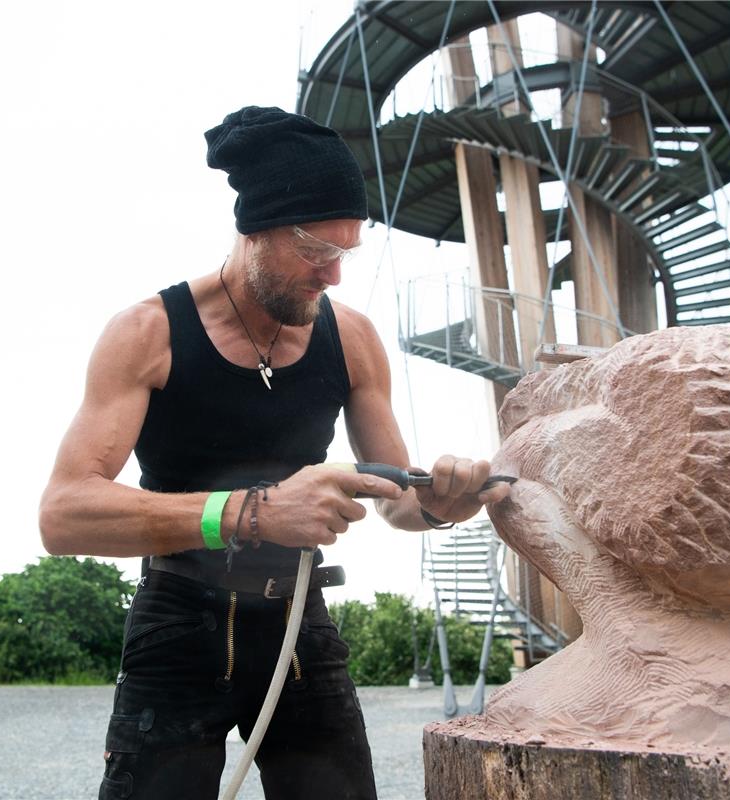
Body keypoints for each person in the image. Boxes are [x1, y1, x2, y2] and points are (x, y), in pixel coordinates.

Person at [38, 105, 510, 800]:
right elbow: (63, 515)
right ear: (255, 231)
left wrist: (441, 506)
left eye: (345, 252)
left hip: (298, 626)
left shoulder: (352, 339)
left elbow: (400, 505)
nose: (334, 276)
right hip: (177, 621)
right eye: (317, 252)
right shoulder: (147, 333)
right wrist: (253, 514)